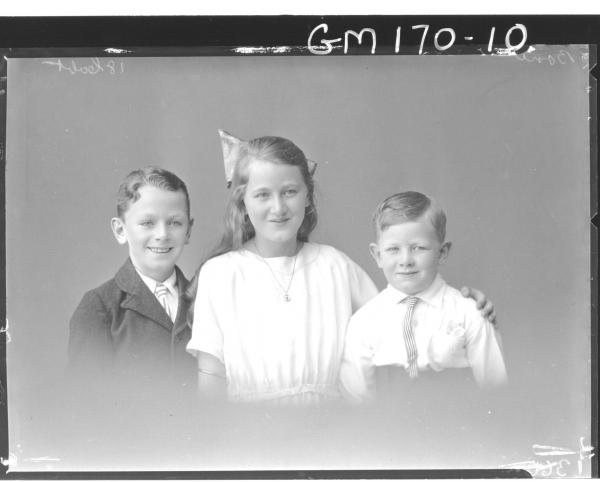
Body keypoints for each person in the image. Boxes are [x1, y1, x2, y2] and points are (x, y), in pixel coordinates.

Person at [186, 131, 496, 405]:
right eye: (263, 195)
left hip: (331, 433)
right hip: (249, 435)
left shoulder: (334, 266)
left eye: (290, 192)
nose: (278, 208)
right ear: (243, 202)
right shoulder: (221, 274)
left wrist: (463, 310)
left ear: (307, 197)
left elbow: (400, 321)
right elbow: (210, 378)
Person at [339, 191, 507, 404]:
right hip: (387, 430)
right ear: (378, 255)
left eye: (418, 248)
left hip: (461, 427)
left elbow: (496, 389)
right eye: (393, 249)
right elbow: (357, 398)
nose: (406, 260)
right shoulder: (364, 322)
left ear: (442, 252)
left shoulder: (470, 312)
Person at [68, 167, 196, 392]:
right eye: (147, 223)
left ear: (188, 231)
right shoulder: (99, 307)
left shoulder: (207, 296)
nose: (162, 234)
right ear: (120, 230)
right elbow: (86, 405)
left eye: (175, 222)